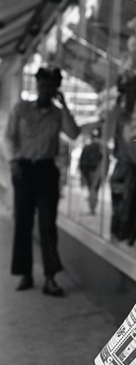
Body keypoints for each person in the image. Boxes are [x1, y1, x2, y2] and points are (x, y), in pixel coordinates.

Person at [5, 65, 80, 295]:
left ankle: (50, 277)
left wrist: (65, 105)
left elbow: (73, 133)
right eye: (42, 85)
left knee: (47, 225)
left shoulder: (58, 114)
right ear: (37, 86)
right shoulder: (21, 109)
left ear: (56, 88)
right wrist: (13, 161)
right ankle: (25, 274)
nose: (45, 89)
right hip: (24, 170)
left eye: (50, 86)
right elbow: (9, 136)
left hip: (47, 172)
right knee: (23, 223)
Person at [79, 127, 103, 214]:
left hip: (93, 170)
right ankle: (92, 207)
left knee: (92, 189)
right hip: (92, 170)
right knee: (93, 189)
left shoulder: (94, 147)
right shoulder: (98, 147)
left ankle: (92, 207)